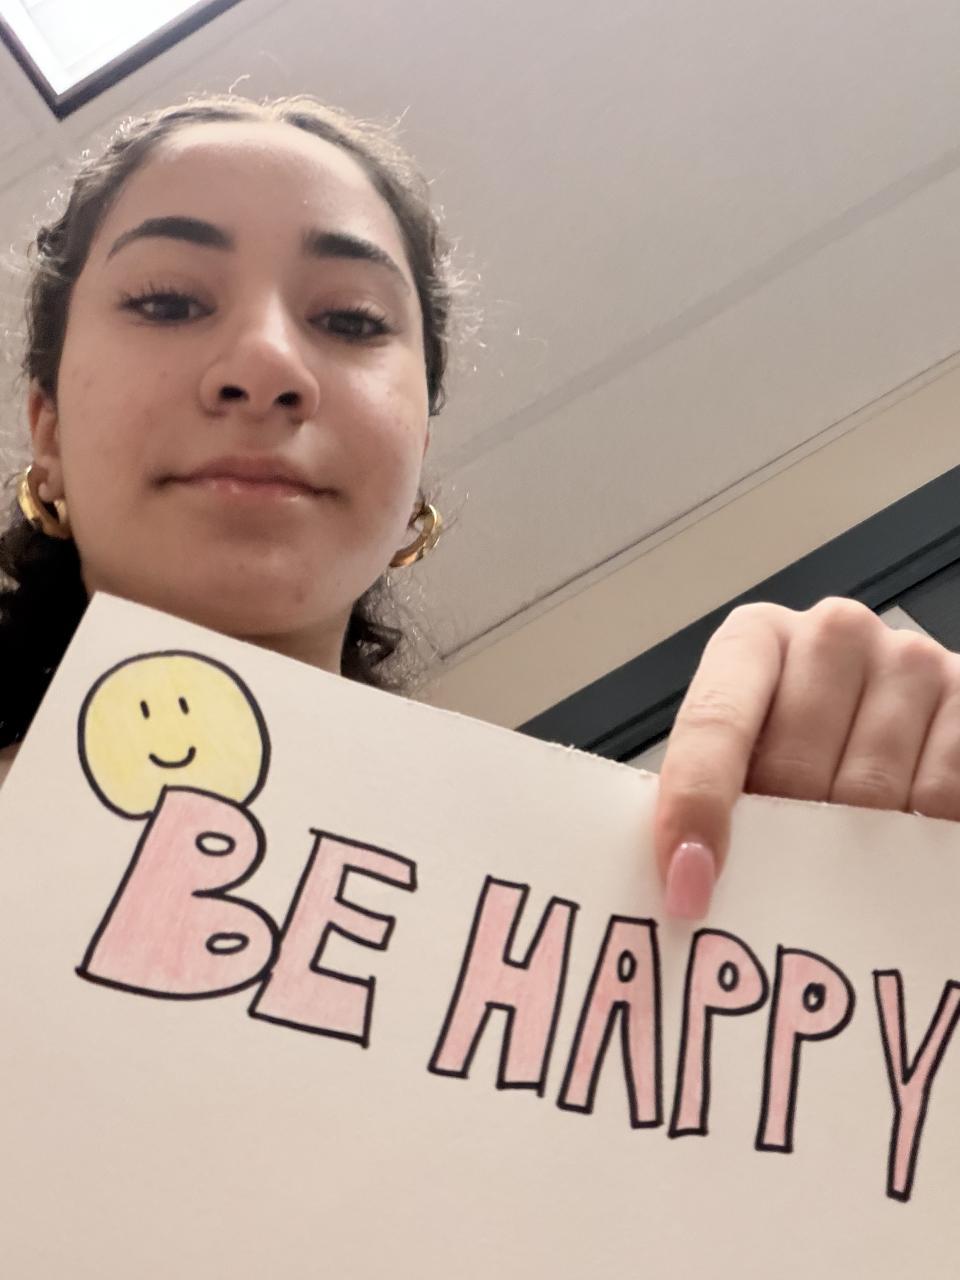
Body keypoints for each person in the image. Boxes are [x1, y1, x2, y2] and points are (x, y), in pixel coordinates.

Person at [2, 93, 958, 922]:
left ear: (415, 454)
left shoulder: (571, 917)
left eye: (349, 320)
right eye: (169, 302)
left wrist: (867, 868)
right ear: (47, 429)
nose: (265, 364)